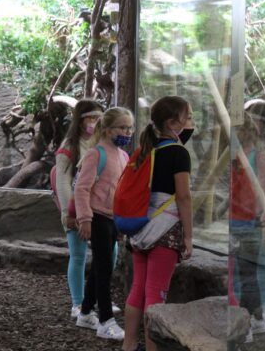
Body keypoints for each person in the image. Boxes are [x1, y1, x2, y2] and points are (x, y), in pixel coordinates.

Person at [122, 95, 193, 351]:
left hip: (141, 229)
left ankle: (129, 345)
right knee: (156, 293)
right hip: (165, 231)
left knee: (138, 289)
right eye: (188, 117)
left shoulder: (145, 150)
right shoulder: (178, 153)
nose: (191, 122)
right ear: (173, 123)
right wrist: (188, 236)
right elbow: (183, 196)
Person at [55, 99, 123, 319]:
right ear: (80, 120)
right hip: (77, 209)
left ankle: (97, 299)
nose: (94, 122)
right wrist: (69, 213)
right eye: (90, 118)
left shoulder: (102, 144)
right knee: (78, 255)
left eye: (98, 118)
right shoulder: (69, 146)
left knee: (108, 254)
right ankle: (78, 302)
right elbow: (63, 182)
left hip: (101, 211)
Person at [74, 107, 134, 341]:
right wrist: (85, 219)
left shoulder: (124, 156)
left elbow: (122, 191)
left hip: (112, 219)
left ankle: (85, 312)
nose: (127, 132)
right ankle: (105, 321)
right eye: (122, 127)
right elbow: (82, 189)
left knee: (102, 265)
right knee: (104, 269)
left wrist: (122, 222)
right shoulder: (95, 154)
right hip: (97, 217)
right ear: (108, 129)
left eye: (130, 128)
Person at [229, 99, 265, 343]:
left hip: (254, 223)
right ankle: (248, 318)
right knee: (241, 274)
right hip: (237, 222)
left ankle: (254, 317)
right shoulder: (235, 156)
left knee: (253, 272)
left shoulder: (259, 156)